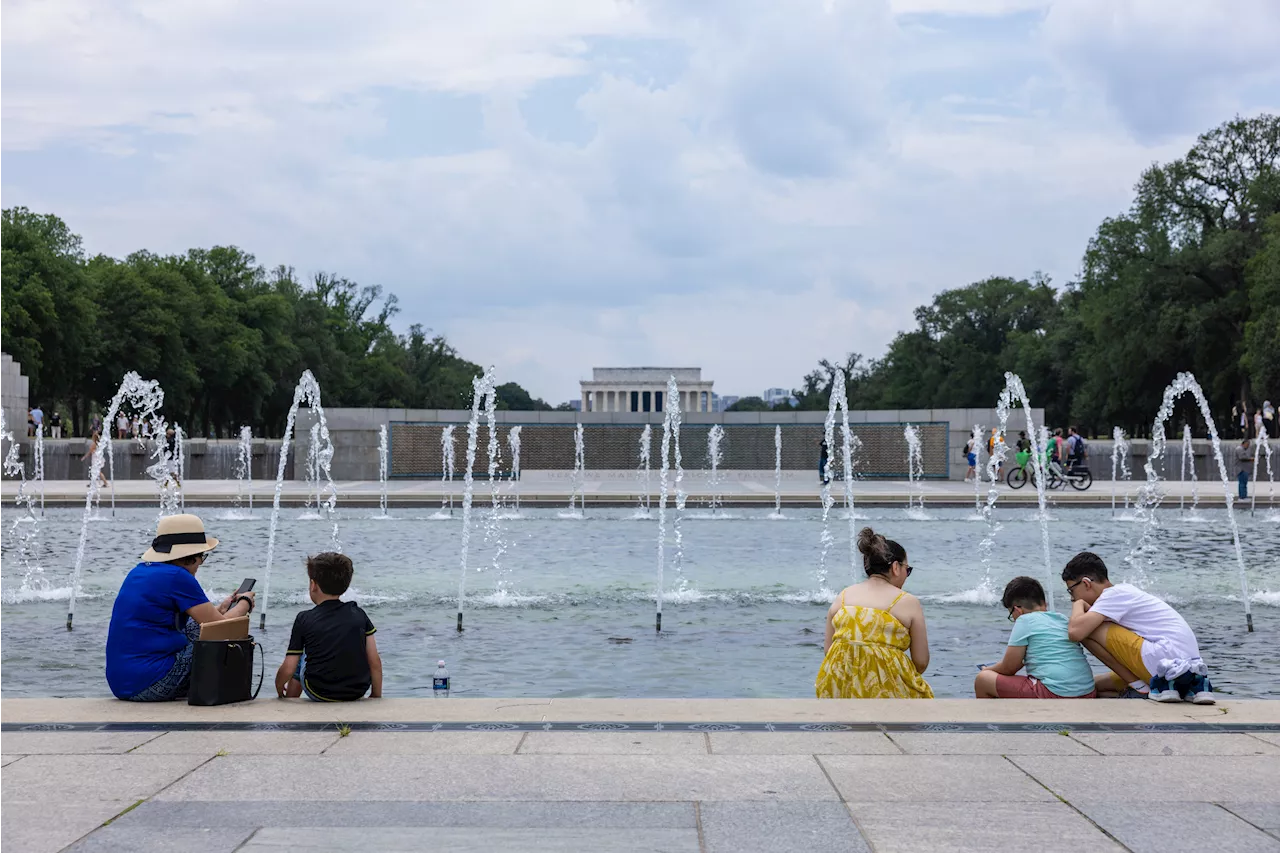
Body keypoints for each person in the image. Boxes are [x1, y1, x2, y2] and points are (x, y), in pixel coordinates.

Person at [105, 514, 255, 701]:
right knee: (220, 641)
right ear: (189, 557)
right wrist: (245, 603)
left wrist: (222, 608)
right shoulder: (178, 576)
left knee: (195, 627)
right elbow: (220, 628)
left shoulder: (139, 571)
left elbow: (202, 621)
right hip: (151, 685)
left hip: (122, 684)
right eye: (202, 556)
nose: (201, 562)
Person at [1063, 551, 1215, 704]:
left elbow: (1075, 632)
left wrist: (1078, 604)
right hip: (1186, 671)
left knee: (1089, 629)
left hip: (1165, 662)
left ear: (1086, 583)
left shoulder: (1112, 595)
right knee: (1094, 687)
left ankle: (1140, 688)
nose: (1072, 597)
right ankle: (1140, 687)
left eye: (1072, 590)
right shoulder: (1123, 593)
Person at [816, 527, 932, 699]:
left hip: (838, 690)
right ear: (895, 567)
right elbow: (921, 662)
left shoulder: (843, 596)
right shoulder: (907, 601)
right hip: (888, 693)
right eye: (908, 569)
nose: (907, 575)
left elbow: (829, 651)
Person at [276, 552, 382, 702]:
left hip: (318, 691)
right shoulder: (359, 614)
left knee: (300, 655)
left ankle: (289, 698)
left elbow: (288, 667)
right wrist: (376, 695)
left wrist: (278, 686)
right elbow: (374, 660)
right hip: (357, 691)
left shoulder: (304, 618)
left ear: (313, 585)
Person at [975, 577, 1097, 699]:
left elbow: (1009, 668)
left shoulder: (1024, 620)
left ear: (1017, 610)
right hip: (1087, 691)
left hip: (1056, 692)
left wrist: (986, 670)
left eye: (1011, 615)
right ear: (1044, 603)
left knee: (983, 680)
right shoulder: (1061, 618)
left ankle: (992, 717)